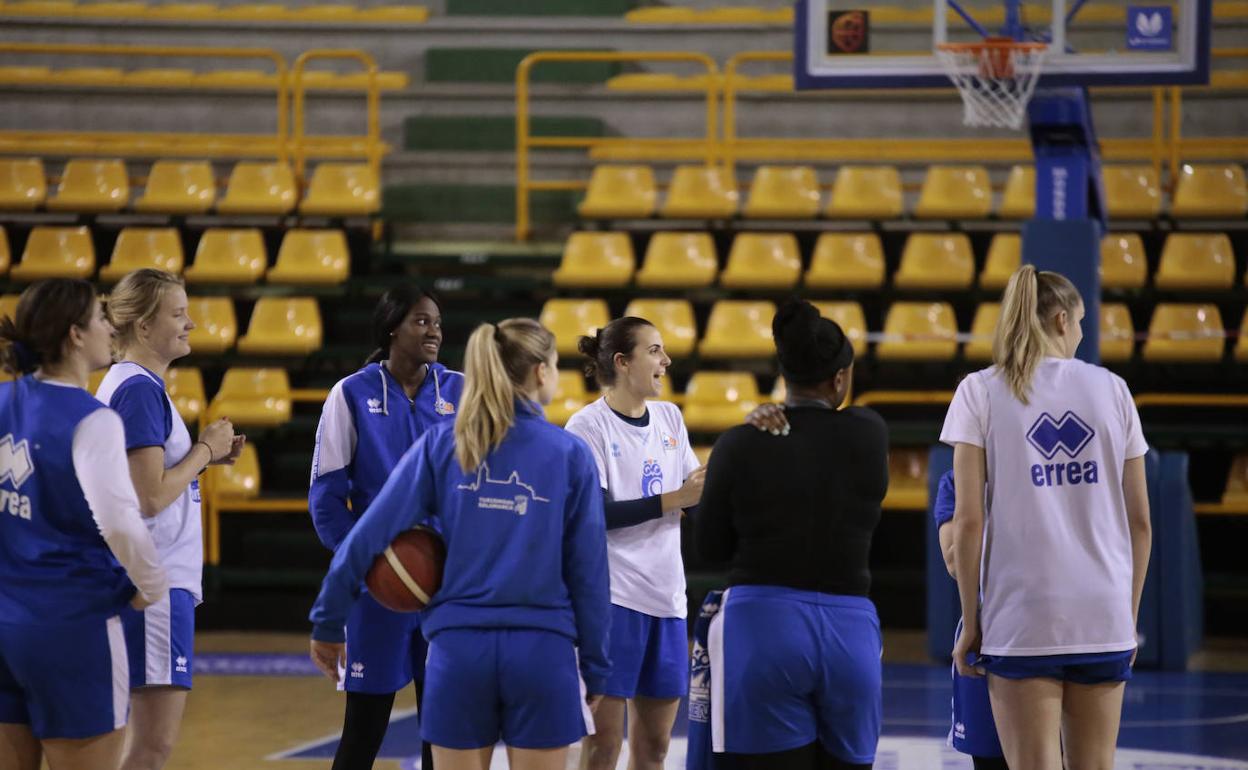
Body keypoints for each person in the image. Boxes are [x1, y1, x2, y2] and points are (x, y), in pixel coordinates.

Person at [308, 317, 610, 770]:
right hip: (542, 654)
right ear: (541, 372)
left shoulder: (442, 445)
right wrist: (597, 664)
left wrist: (328, 621)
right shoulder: (570, 454)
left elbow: (368, 536)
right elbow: (589, 573)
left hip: (458, 654)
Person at [941, 265, 1151, 770]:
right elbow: (1140, 524)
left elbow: (968, 523)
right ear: (1061, 320)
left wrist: (972, 621)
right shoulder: (1114, 389)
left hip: (1021, 618)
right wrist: (1128, 616)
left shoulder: (978, 390)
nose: (1080, 334)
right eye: (1080, 323)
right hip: (1103, 614)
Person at [696, 299, 889, 769]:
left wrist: (756, 424)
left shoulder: (739, 443)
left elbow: (709, 547)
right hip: (849, 630)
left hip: (762, 626)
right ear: (840, 378)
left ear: (783, 374)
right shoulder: (870, 433)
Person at [0, 279, 169, 770]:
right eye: (99, 318)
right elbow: (120, 524)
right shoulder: (92, 419)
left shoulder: (3, 400)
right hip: (73, 627)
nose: (109, 328)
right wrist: (153, 585)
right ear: (75, 335)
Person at [309, 284, 462, 770]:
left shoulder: (463, 392)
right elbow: (326, 500)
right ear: (392, 328)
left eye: (437, 322)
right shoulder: (350, 394)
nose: (433, 331)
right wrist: (366, 562)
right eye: (421, 321)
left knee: (443, 734)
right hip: (378, 588)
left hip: (447, 588)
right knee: (364, 730)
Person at [95, 269, 242, 770]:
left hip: (141, 577)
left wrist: (204, 458)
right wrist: (204, 450)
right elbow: (150, 497)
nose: (190, 324)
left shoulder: (132, 385)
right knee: (152, 747)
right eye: (178, 314)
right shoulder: (139, 390)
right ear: (142, 326)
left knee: (132, 743)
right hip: (154, 582)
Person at [564, 316, 703, 770]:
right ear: (622, 362)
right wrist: (674, 499)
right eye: (655, 350)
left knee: (656, 748)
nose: (666, 360)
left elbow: (695, 498)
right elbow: (595, 515)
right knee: (603, 749)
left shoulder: (670, 417)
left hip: (667, 599)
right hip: (612, 601)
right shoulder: (587, 426)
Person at [932, 471, 1007, 770]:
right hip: (989, 629)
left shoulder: (1046, 471)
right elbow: (955, 563)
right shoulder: (956, 480)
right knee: (991, 757)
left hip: (1056, 630)